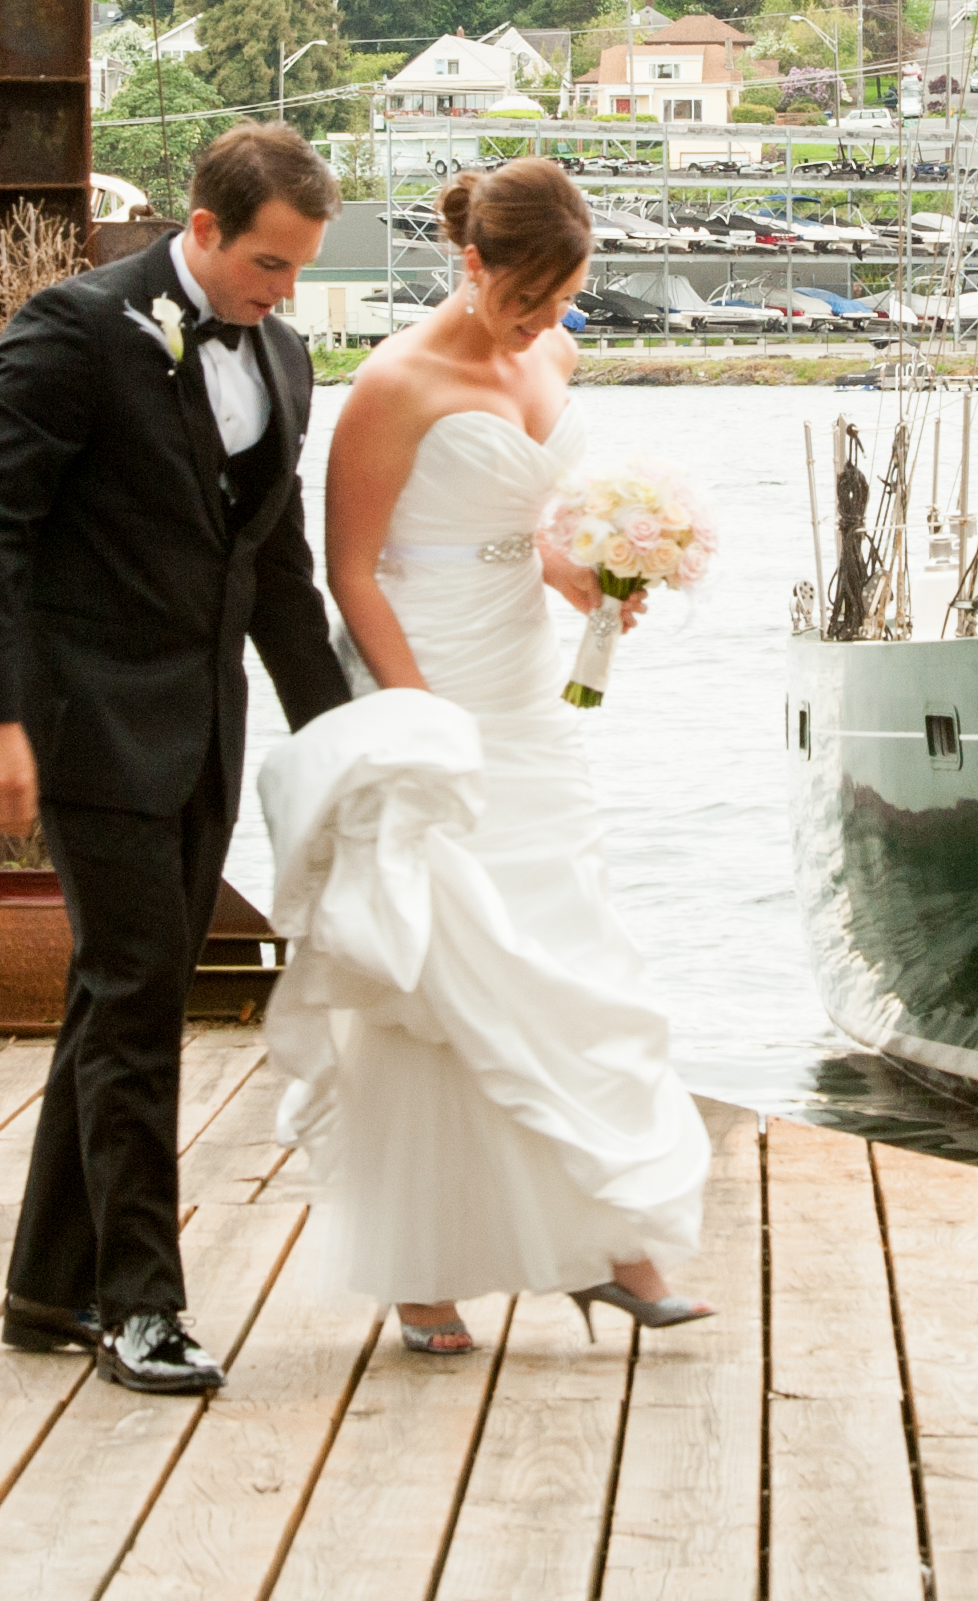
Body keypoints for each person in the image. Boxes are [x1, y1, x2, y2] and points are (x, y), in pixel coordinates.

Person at [265, 156, 711, 1357]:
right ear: (471, 263)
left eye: (561, 301)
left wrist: (588, 579)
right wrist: (414, 716)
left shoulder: (552, 358)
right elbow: (350, 570)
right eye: (526, 299)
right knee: (439, 968)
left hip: (524, 689)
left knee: (565, 946)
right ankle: (425, 1272)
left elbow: (524, 530)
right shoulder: (392, 386)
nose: (543, 323)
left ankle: (612, 1243)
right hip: (431, 681)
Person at [0, 123, 356, 1394]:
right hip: (84, 720)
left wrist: (339, 735)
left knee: (125, 991)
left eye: (297, 273)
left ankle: (43, 1289)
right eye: (268, 266)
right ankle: (140, 1307)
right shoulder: (76, 330)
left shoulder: (281, 357)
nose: (282, 295)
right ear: (206, 225)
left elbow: (272, 569)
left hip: (202, 728)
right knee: (133, 996)